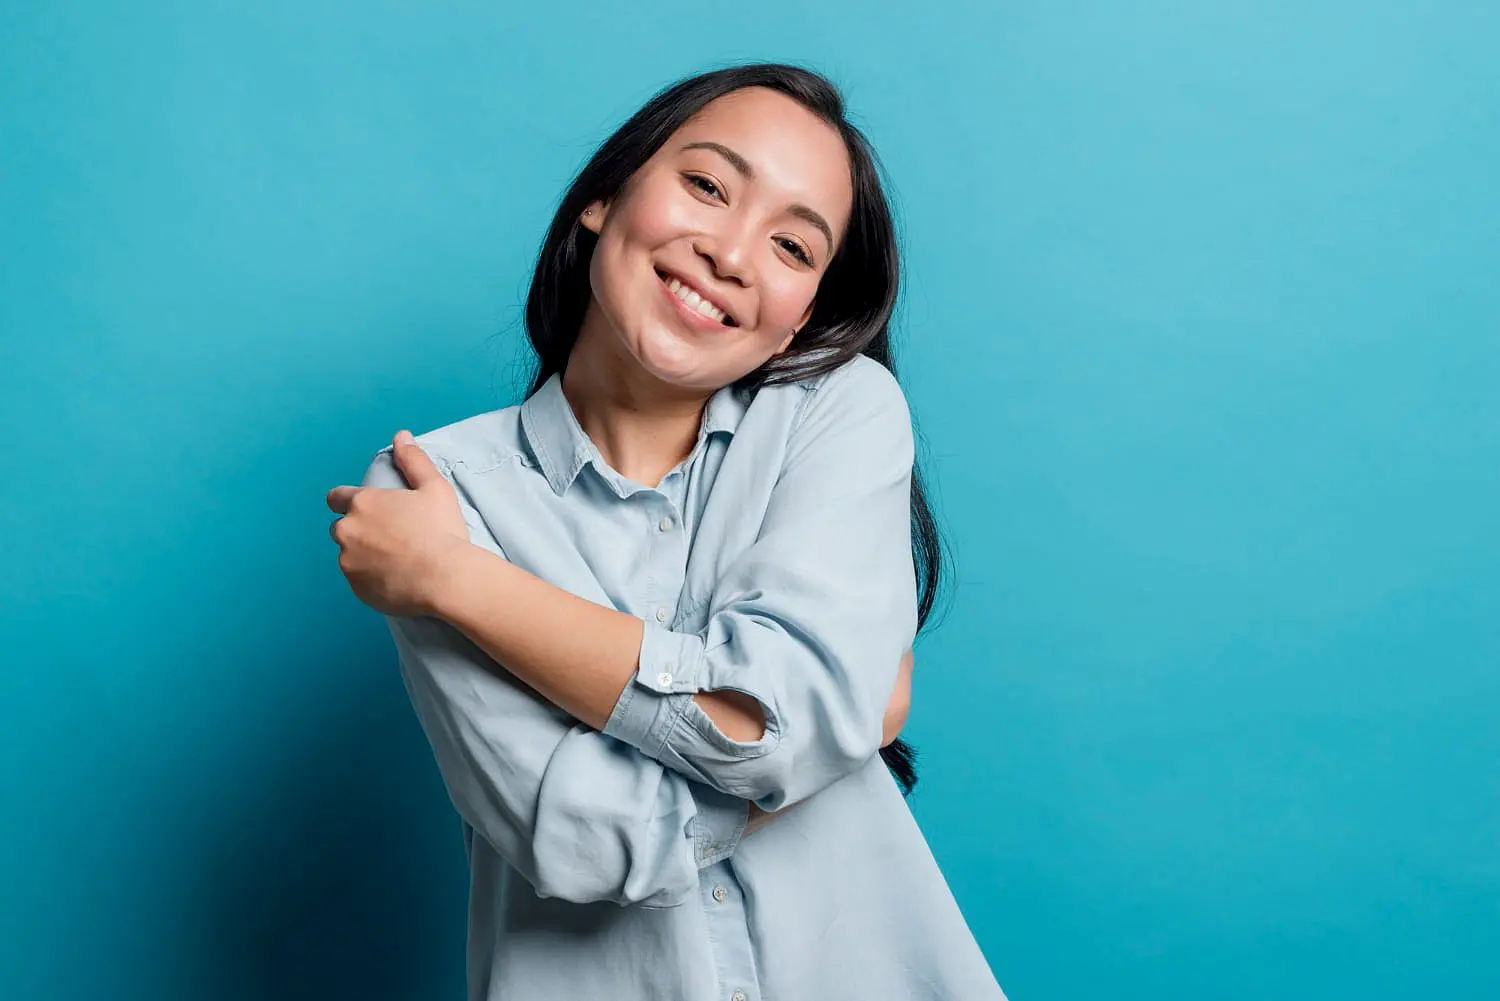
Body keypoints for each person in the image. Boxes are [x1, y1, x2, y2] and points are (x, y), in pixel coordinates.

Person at [326, 62, 1005, 1001]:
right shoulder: (435, 495)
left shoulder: (838, 412)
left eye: (793, 247)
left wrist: (460, 583)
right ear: (605, 195)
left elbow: (781, 724)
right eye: (707, 186)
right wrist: (819, 730)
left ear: (800, 316)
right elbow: (589, 844)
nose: (730, 252)